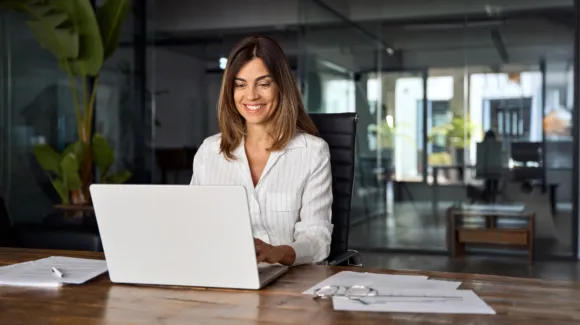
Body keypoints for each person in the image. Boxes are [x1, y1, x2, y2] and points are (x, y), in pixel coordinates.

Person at [190, 36, 333, 266]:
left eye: (264, 83)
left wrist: (279, 252)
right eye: (240, 84)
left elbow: (317, 238)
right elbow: (193, 226)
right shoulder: (209, 152)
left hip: (288, 282)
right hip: (223, 275)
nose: (251, 95)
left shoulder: (312, 152)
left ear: (281, 87)